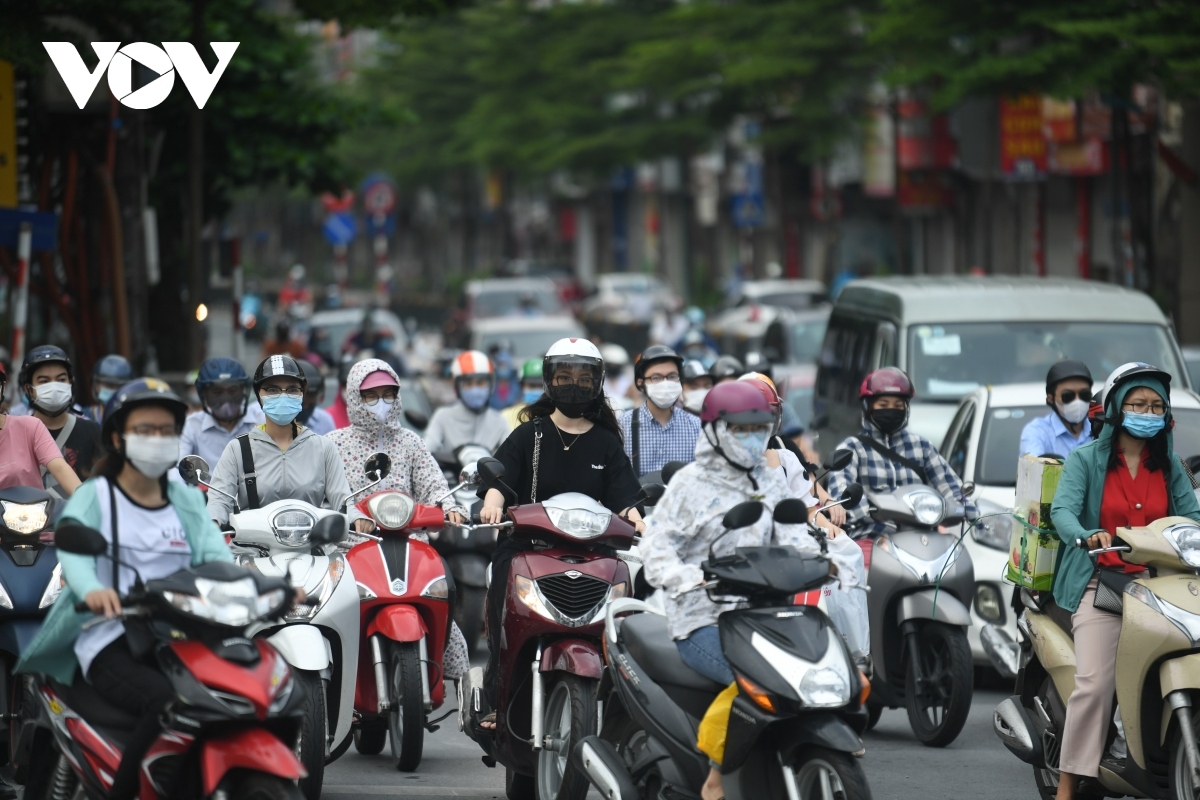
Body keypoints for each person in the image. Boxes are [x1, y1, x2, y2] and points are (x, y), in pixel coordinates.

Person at [16, 378, 237, 800]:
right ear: (117, 437)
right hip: (110, 638)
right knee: (164, 702)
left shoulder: (186, 501)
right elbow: (75, 554)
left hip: (181, 636)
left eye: (166, 430)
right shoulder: (96, 496)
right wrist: (94, 590)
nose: (157, 439)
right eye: (144, 430)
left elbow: (217, 559)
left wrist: (267, 587)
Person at [642, 381, 860, 800]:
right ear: (715, 430)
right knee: (750, 682)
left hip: (766, 610)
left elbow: (792, 532)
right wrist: (687, 577)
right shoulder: (689, 483)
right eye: (741, 429)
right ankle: (715, 776)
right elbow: (656, 548)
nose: (752, 437)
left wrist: (820, 561)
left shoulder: (769, 477)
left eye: (759, 428)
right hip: (704, 615)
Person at [1049, 363, 1200, 800]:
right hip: (1104, 583)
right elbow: (1063, 512)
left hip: (1161, 586)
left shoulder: (1168, 464)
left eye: (1156, 406)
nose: (1147, 413)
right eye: (1138, 404)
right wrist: (1085, 534)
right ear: (1116, 408)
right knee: (1095, 683)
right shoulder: (1084, 459)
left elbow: (1192, 516)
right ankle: (1066, 786)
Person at [477, 338, 644, 727]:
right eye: (564, 376)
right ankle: (496, 698)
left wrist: (638, 518)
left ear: (598, 382)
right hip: (527, 548)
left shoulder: (606, 442)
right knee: (505, 614)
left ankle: (623, 708)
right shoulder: (529, 434)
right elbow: (500, 478)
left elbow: (626, 497)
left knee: (624, 617)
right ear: (550, 380)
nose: (573, 384)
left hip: (593, 553)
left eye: (583, 378)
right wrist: (493, 502)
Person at [327, 359, 471, 682]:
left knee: (443, 589)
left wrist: (448, 507)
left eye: (388, 394)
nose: (381, 403)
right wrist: (344, 517)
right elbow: (323, 493)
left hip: (410, 543)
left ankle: (463, 687)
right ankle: (334, 677)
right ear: (354, 397)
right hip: (354, 545)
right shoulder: (334, 444)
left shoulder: (411, 443)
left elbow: (433, 483)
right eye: (370, 395)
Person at [206, 355, 371, 532]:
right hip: (252, 551)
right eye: (272, 390)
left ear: (302, 394)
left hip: (311, 549)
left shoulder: (323, 448)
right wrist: (213, 521)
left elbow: (342, 499)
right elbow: (219, 499)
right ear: (258, 395)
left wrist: (357, 517)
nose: (283, 396)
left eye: (292, 390)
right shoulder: (238, 448)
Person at [827, 367, 977, 534]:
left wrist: (973, 513)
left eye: (898, 405)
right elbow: (840, 493)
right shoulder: (852, 448)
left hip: (923, 539)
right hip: (872, 537)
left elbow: (951, 487)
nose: (891, 410)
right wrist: (869, 508)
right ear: (867, 407)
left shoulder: (922, 447)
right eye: (883, 405)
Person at [19, 346, 102, 487]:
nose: (54, 388)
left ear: (71, 383)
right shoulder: (16, 434)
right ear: (28, 389)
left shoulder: (93, 431)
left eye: (61, 380)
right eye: (44, 381)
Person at [618, 345, 701, 478]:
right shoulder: (622, 426)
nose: (665, 384)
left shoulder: (697, 427)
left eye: (672, 376)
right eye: (656, 378)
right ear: (640, 383)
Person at [0, 362, 81, 495]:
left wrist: (89, 504)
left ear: (3, 387)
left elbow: (60, 468)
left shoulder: (29, 426)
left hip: (33, 514)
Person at [424, 351, 509, 465]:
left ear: (491, 384)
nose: (475, 389)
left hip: (489, 482)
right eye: (468, 383)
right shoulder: (443, 416)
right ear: (457, 386)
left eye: (480, 383)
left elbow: (511, 458)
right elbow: (426, 452)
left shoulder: (499, 421)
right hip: (451, 482)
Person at [180, 357, 266, 468]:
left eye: (233, 391)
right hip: (206, 485)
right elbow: (177, 468)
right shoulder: (191, 425)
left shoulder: (262, 419)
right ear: (204, 395)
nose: (226, 399)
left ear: (244, 391)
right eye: (217, 392)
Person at [1020, 359, 1095, 459]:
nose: (1078, 402)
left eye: (1085, 395)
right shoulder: (1037, 432)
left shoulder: (1100, 429)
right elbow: (1033, 469)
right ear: (1051, 399)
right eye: (1068, 396)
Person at [84, 354, 133, 423]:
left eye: (120, 387)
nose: (115, 391)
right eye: (109, 385)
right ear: (96, 386)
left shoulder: (134, 420)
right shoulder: (82, 418)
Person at [502, 358, 543, 430]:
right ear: (521, 386)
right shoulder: (506, 417)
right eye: (532, 385)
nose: (536, 390)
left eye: (541, 386)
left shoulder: (557, 418)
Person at [297, 359, 336, 435]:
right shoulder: (269, 423)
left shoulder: (324, 421)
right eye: (302, 404)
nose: (306, 407)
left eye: (311, 404)